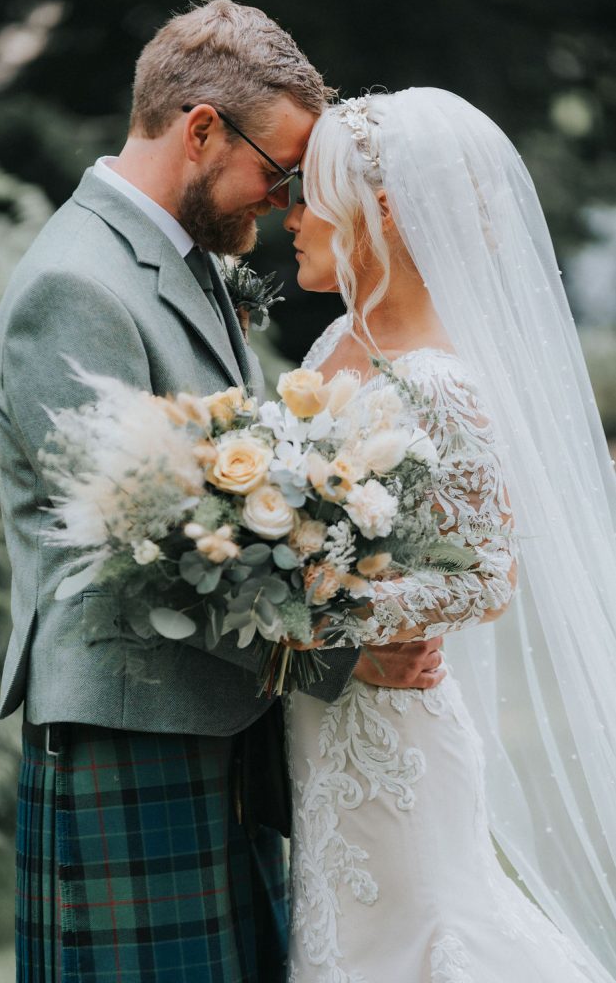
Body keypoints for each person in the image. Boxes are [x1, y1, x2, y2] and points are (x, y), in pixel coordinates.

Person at [0, 3, 444, 983]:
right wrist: (342, 655)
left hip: (207, 721)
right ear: (200, 129)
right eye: (278, 172)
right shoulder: (78, 286)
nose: (284, 205)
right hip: (129, 733)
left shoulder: (183, 265)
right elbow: (140, 548)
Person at [283, 89, 616, 982]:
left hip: (397, 727)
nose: (293, 216)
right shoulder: (330, 347)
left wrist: (303, 607)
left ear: (379, 210)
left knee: (420, 937)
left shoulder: (441, 380)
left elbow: (485, 579)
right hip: (323, 721)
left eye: (311, 192)